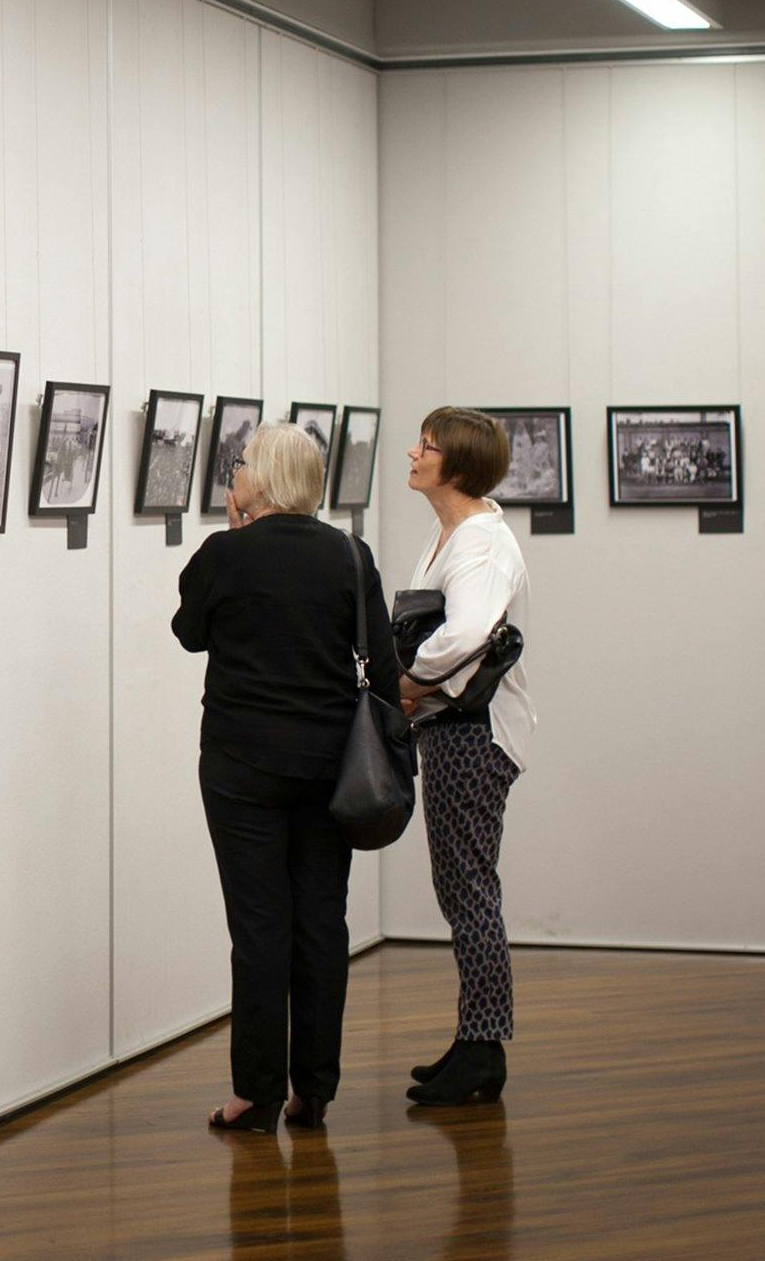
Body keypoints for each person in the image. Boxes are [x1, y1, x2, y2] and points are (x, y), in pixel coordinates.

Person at [171, 422, 398, 1135]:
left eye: (237, 467)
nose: (230, 477)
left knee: (260, 927)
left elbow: (189, 631)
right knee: (321, 923)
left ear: (259, 481)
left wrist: (233, 536)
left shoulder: (225, 555)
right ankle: (315, 1090)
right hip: (331, 769)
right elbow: (384, 671)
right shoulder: (351, 557)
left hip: (241, 767)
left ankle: (255, 1092)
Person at [397, 408, 537, 1107]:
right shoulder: (450, 533)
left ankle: (484, 1051)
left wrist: (407, 681)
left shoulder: (480, 541)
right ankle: (474, 1040)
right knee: (462, 888)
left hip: (471, 736)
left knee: (469, 890)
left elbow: (468, 633)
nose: (413, 453)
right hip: (453, 730)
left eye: (427, 446)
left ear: (457, 464)